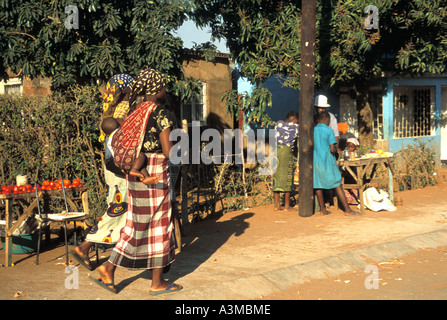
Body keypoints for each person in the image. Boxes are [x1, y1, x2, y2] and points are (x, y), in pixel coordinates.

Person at [90, 68, 182, 295]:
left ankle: (109, 268)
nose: (165, 90)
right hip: (155, 171)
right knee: (160, 225)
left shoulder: (135, 110)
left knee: (137, 223)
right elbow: (169, 152)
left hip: (135, 171)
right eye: (163, 86)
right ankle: (156, 283)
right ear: (158, 90)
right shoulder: (160, 113)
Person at [70, 74, 134, 271]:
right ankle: (84, 247)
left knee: (122, 210)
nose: (135, 93)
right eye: (132, 89)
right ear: (125, 90)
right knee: (117, 210)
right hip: (120, 170)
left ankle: (118, 253)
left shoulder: (110, 110)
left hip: (112, 169)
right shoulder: (123, 113)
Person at [313, 111, 359, 216]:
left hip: (316, 161)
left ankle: (323, 210)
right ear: (328, 121)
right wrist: (336, 150)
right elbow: (332, 148)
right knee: (337, 183)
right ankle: (347, 210)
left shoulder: (313, 130)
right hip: (328, 161)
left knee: (318, 184)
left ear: (318, 120)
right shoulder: (329, 131)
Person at [101, 117, 159, 185]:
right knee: (140, 156)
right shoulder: (123, 131)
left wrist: (121, 166)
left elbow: (113, 153)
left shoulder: (109, 142)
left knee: (136, 162)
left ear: (107, 135)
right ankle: (135, 170)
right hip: (129, 154)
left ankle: (144, 177)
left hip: (118, 160)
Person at [273, 110, 299, 211]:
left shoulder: (278, 123)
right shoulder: (296, 127)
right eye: (297, 120)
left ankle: (276, 205)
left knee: (277, 177)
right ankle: (287, 206)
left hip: (276, 151)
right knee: (288, 177)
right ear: (294, 119)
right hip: (286, 152)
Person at [341, 137, 360, 204]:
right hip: (346, 173)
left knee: (354, 185)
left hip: (354, 173)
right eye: (349, 147)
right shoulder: (345, 153)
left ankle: (355, 199)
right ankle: (348, 199)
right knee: (346, 186)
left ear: (355, 147)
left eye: (352, 147)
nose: (350, 148)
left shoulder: (355, 154)